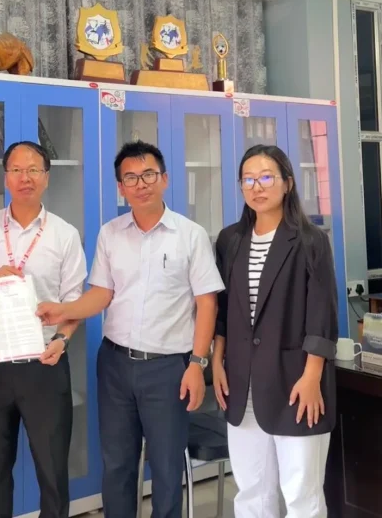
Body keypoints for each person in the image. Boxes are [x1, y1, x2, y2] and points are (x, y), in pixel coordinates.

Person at [37, 141, 224, 518]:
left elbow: (207, 303)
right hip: (115, 365)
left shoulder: (190, 235)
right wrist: (63, 311)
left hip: (168, 368)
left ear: (165, 179)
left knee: (167, 468)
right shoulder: (110, 233)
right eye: (131, 178)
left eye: (149, 174)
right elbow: (102, 294)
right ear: (121, 187)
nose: (141, 184)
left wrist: (197, 363)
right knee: (117, 464)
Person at [0, 141, 87, 518]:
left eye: (33, 170)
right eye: (16, 169)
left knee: (52, 470)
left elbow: (75, 303)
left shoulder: (64, 234)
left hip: (45, 362)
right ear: (5, 177)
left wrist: (62, 339)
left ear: (46, 177)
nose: (24, 177)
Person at [211, 144, 337, 517]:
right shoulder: (230, 240)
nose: (257, 187)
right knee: (251, 493)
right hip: (241, 385)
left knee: (301, 495)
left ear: (288, 183)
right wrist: (217, 361)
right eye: (248, 179)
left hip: (295, 383)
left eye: (266, 177)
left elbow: (322, 315)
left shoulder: (311, 240)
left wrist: (312, 376)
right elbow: (223, 310)